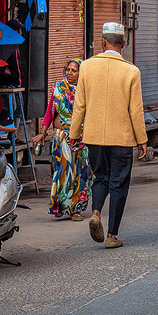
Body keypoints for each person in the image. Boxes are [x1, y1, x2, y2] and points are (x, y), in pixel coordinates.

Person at [69, 22, 148, 249]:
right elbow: (136, 109)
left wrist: (75, 133)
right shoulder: (131, 71)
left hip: (93, 136)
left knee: (100, 177)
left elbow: (80, 105)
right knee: (119, 184)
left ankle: (96, 212)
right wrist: (142, 139)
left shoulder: (87, 67)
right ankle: (112, 236)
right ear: (123, 43)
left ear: (103, 42)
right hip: (121, 138)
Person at [31, 59, 93, 221]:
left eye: (74, 70)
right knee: (64, 174)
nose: (69, 73)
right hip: (62, 139)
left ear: (81, 73)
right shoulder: (58, 89)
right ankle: (61, 206)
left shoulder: (86, 89)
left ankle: (75, 210)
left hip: (82, 139)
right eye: (68, 69)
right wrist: (43, 133)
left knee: (80, 173)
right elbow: (50, 112)